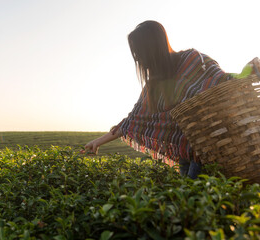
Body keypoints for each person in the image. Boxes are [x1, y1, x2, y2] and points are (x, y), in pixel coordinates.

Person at [82, 20, 260, 179]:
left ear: (151, 48)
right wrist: (97, 142)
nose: (137, 58)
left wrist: (249, 70)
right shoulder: (153, 85)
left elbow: (222, 84)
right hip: (186, 156)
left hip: (211, 153)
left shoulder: (191, 60)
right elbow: (133, 120)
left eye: (139, 52)